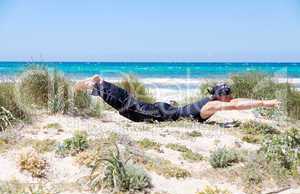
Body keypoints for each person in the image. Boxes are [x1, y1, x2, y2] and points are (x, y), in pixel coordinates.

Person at [74, 75, 281, 122]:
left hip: (167, 110)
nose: (232, 98)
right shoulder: (213, 105)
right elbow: (236, 106)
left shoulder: (212, 102)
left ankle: (100, 85)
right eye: (229, 95)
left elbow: (236, 101)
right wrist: (265, 103)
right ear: (221, 96)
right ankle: (99, 84)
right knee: (130, 106)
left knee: (132, 103)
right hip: (161, 113)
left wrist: (263, 102)